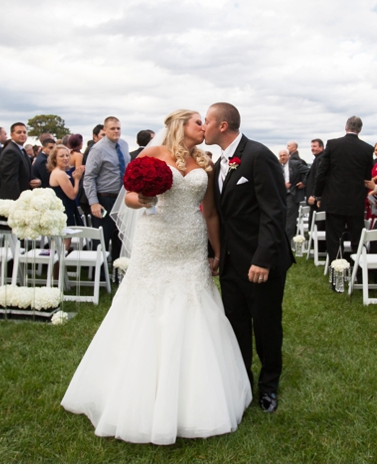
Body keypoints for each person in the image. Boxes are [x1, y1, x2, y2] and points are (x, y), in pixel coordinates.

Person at [62, 109, 251, 444]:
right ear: (180, 125)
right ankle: (135, 394)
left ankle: (196, 396)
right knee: (148, 307)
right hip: (156, 240)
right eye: (198, 121)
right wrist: (142, 199)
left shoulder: (205, 160)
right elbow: (130, 196)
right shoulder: (152, 154)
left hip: (190, 243)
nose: (203, 126)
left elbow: (209, 212)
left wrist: (217, 252)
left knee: (195, 307)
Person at [204, 102, 292, 414]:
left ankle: (269, 388)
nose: (203, 127)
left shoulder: (258, 155)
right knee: (236, 326)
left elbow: (274, 211)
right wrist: (214, 254)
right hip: (230, 262)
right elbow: (218, 214)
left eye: (207, 121)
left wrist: (263, 259)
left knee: (266, 327)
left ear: (222, 125)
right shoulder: (217, 162)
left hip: (260, 263)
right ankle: (242, 385)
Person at [314, 116, 375, 265]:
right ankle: (358, 272)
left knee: (334, 238)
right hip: (356, 200)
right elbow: (367, 176)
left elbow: (321, 172)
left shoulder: (333, 144)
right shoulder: (367, 148)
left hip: (334, 199)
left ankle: (336, 275)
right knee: (356, 239)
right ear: (360, 129)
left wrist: (318, 195)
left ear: (346, 127)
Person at [82, 117, 129, 263]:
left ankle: (117, 271)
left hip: (122, 198)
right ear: (105, 129)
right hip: (104, 199)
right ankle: (100, 275)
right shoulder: (98, 149)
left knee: (120, 237)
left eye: (118, 128)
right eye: (112, 129)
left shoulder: (124, 145)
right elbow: (89, 177)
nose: (116, 131)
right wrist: (93, 202)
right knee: (103, 238)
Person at [0, 123, 40, 201]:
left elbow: (27, 173)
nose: (22, 134)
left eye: (24, 132)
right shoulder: (11, 151)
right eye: (19, 132)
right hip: (15, 200)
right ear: (12, 135)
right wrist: (18, 202)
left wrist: (36, 180)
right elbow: (10, 181)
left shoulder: (21, 150)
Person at [48, 144, 84, 230]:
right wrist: (77, 179)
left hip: (64, 209)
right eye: (61, 156)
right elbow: (72, 195)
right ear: (54, 159)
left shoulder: (58, 171)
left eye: (67, 155)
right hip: (64, 210)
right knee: (66, 239)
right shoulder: (60, 174)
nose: (65, 158)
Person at [278, 149, 309, 239]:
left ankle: (288, 241)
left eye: (284, 155)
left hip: (292, 194)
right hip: (281, 196)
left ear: (288, 156)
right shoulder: (277, 166)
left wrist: (304, 183)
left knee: (290, 221)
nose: (283, 157)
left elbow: (309, 171)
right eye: (281, 156)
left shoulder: (295, 164)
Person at [304, 138, 325, 227]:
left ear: (321, 147)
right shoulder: (317, 159)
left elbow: (319, 178)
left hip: (316, 199)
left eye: (315, 146)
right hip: (314, 197)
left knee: (315, 225)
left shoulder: (321, 159)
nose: (312, 148)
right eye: (311, 146)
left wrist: (314, 195)